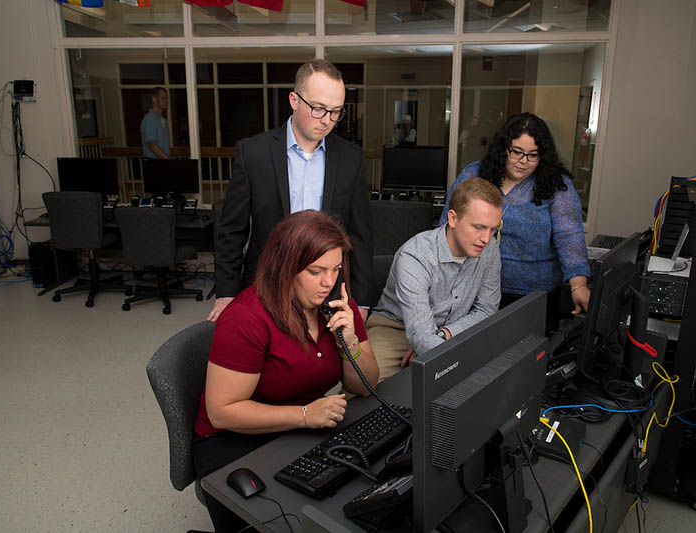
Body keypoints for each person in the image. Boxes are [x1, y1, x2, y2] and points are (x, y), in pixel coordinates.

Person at [193, 210, 379, 532]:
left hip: (300, 425)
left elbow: (365, 386)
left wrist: (350, 342)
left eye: (335, 269)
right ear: (286, 267)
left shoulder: (335, 304)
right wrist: (305, 415)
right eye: (315, 271)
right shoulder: (247, 317)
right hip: (233, 440)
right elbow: (222, 412)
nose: (328, 282)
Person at [209, 59, 373, 323]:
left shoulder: (350, 158)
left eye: (336, 112)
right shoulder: (254, 153)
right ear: (294, 100)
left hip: (326, 287)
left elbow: (360, 235)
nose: (327, 121)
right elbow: (231, 230)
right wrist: (226, 293)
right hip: (264, 281)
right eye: (319, 109)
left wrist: (361, 301)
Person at [440, 112, 590, 330]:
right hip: (473, 291)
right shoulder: (474, 174)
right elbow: (446, 228)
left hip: (534, 297)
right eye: (517, 152)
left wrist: (579, 286)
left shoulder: (557, 185)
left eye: (532, 155)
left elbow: (569, 236)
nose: (523, 162)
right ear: (504, 148)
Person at [367, 177, 503, 382]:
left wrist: (444, 335)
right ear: (453, 218)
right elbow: (421, 337)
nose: (486, 238)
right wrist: (429, 345)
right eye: (478, 227)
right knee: (365, 385)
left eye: (493, 229)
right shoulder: (414, 256)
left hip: (455, 327)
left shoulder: (490, 248)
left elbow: (486, 310)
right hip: (397, 327)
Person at [140, 87, 171, 159]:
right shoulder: (150, 119)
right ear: (154, 99)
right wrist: (168, 160)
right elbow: (153, 146)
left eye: (167, 98)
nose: (166, 101)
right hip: (153, 163)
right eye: (163, 98)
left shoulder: (162, 120)